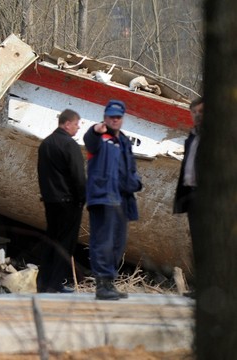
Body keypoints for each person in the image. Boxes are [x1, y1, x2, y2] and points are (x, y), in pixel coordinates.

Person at [84, 99, 143, 300]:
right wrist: (94, 129)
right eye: (111, 117)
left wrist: (136, 183)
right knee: (103, 241)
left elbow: (130, 169)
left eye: (118, 117)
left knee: (118, 243)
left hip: (121, 200)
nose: (114, 120)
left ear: (122, 118)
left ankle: (110, 282)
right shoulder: (99, 137)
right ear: (105, 118)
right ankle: (102, 285)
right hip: (103, 198)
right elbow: (89, 140)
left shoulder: (124, 141)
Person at [36, 109, 86, 293]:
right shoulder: (69, 145)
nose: (78, 128)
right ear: (66, 124)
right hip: (69, 202)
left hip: (50, 201)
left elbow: (42, 174)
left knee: (51, 240)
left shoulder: (46, 144)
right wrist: (82, 198)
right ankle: (54, 284)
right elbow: (78, 176)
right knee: (65, 243)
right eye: (76, 124)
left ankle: (43, 282)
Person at [173, 97, 204, 234]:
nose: (197, 115)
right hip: (191, 195)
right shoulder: (191, 137)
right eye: (194, 111)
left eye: (201, 111)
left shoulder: (216, 138)